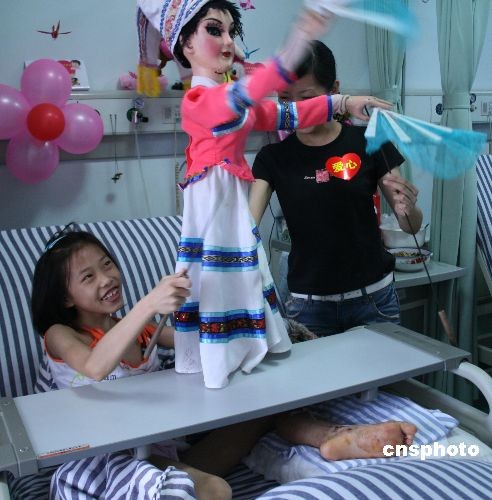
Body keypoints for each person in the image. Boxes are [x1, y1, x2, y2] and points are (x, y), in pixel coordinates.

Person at [31, 226, 417, 499]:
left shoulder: (141, 329)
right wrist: (148, 304)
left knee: (263, 407)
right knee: (215, 490)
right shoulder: (60, 335)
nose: (106, 278)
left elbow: (202, 344)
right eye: (88, 276)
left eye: (107, 264)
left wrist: (236, 312)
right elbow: (94, 366)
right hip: (105, 466)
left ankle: (331, 438)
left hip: (162, 455)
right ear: (65, 297)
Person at [136, 0, 393, 389]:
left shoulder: (229, 98)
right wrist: (299, 39)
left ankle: (244, 354)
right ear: (185, 45)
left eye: (230, 31)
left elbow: (284, 115)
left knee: (241, 277)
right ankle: (217, 363)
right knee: (218, 281)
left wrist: (342, 103)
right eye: (214, 30)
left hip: (228, 200)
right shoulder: (200, 101)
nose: (227, 41)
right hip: (213, 203)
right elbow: (251, 93)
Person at [250, 40, 423, 337]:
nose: (297, 109)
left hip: (374, 301)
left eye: (307, 98)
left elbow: (410, 225)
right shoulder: (272, 158)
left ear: (334, 91)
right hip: (308, 308)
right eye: (285, 99)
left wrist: (409, 208)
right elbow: (246, 227)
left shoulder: (370, 140)